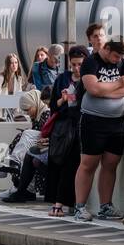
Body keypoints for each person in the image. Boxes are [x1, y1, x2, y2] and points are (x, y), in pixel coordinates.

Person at [73, 39, 124, 221]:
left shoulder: (123, 63)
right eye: (116, 55)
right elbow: (93, 89)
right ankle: (80, 207)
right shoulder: (91, 62)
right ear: (107, 49)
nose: (118, 60)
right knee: (88, 164)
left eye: (121, 57)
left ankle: (105, 206)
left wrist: (105, 90)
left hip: (117, 122)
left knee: (110, 164)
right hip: (93, 121)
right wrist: (117, 84)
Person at [45, 46, 87, 217]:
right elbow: (53, 106)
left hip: (79, 126)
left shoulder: (88, 79)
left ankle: (60, 203)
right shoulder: (62, 79)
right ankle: (58, 202)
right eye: (74, 65)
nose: (76, 69)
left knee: (71, 165)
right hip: (62, 127)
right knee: (58, 163)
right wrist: (63, 99)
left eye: (80, 65)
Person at [0, 53, 28, 121]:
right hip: (0, 110)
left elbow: (19, 96)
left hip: (13, 110)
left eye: (16, 62)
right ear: (7, 65)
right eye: (11, 63)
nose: (14, 65)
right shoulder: (0, 78)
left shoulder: (18, 79)